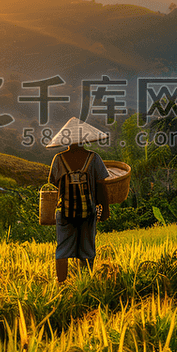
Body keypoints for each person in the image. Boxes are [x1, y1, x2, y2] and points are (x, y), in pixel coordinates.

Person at [47, 117, 110, 283]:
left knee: (62, 249)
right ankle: (86, 283)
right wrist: (105, 209)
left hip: (65, 212)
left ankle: (61, 282)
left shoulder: (58, 159)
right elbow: (102, 186)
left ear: (66, 141)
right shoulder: (94, 158)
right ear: (84, 140)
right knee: (87, 249)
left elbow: (54, 183)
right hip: (88, 211)